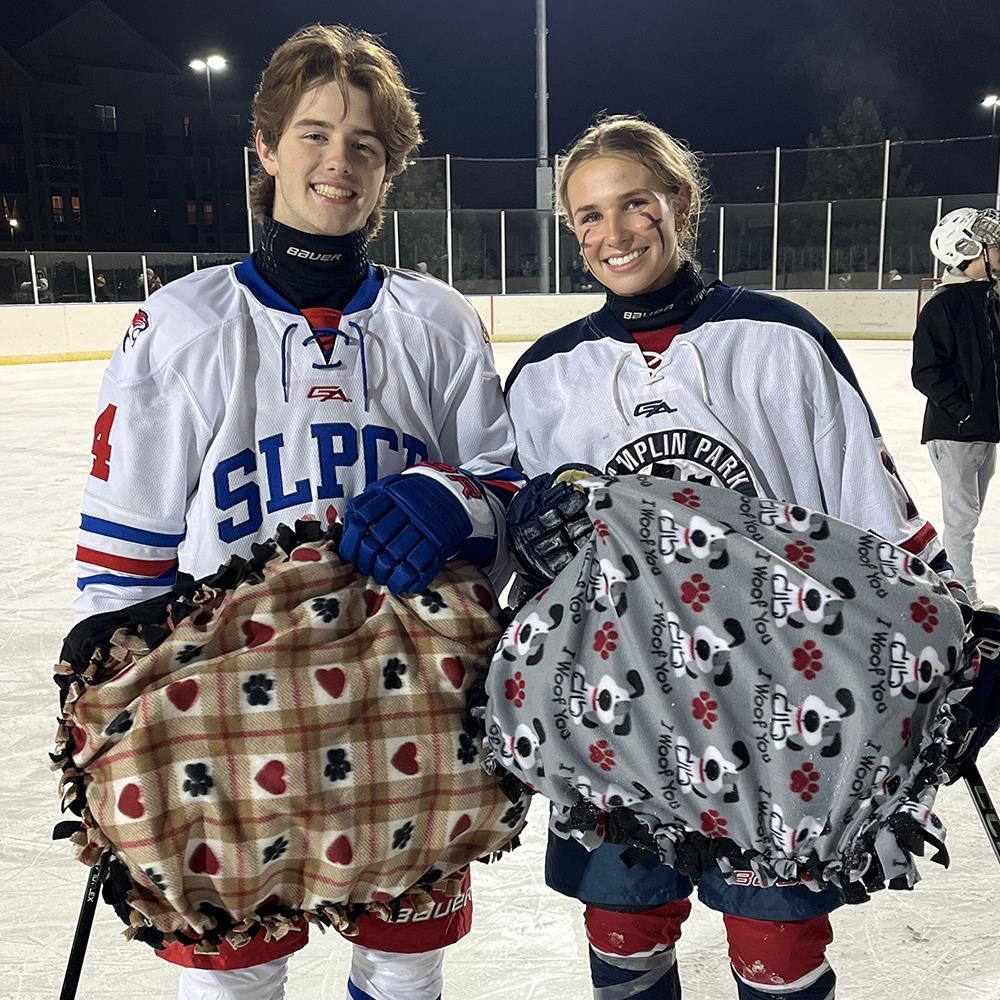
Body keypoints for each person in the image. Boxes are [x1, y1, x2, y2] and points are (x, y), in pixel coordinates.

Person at [73, 23, 519, 1000]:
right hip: (233, 700)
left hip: (405, 689)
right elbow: (121, 560)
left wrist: (456, 501)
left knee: (404, 966)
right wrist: (127, 706)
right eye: (314, 133)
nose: (339, 161)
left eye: (365, 144)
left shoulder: (434, 320)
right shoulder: (181, 324)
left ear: (389, 167)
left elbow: (509, 495)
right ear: (267, 146)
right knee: (236, 979)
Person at [504, 115, 965, 1000]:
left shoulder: (781, 339)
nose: (613, 233)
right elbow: (523, 552)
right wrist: (521, 529)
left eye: (634, 203)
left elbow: (867, 519)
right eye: (588, 217)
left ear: (679, 202)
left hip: (778, 701)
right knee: (625, 934)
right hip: (616, 710)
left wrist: (949, 633)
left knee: (777, 946)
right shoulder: (546, 374)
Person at [911, 207, 1000, 611]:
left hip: (983, 431)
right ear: (967, 250)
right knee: (962, 519)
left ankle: (959, 588)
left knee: (971, 515)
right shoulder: (944, 306)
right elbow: (926, 372)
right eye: (993, 245)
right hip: (955, 433)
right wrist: (963, 412)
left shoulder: (988, 300)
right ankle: (963, 596)